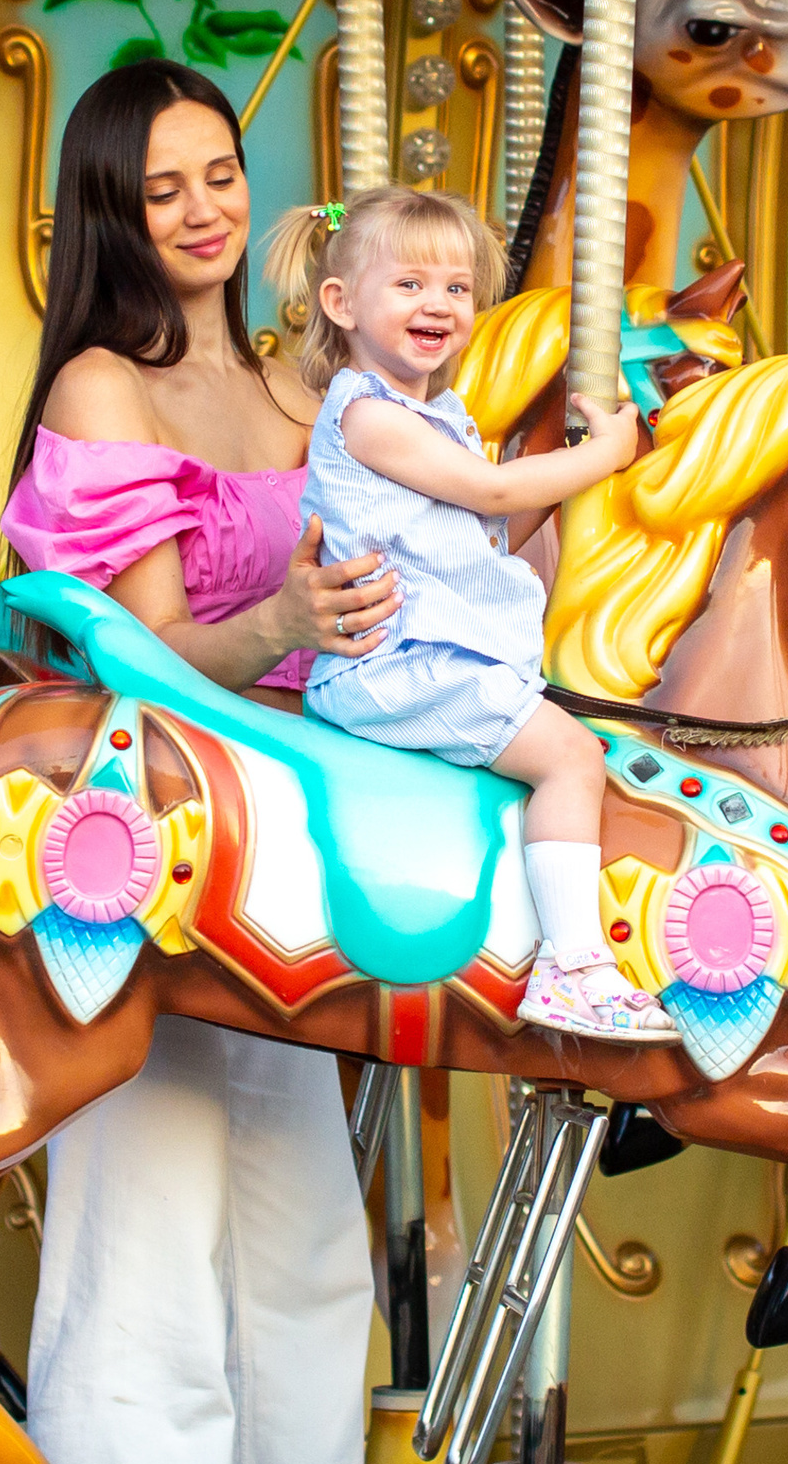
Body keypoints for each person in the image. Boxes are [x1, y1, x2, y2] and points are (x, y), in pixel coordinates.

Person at [0, 61, 387, 1464]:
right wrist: (290, 614)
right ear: (113, 208)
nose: (203, 207)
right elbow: (147, 658)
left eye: (219, 170)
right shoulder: (108, 382)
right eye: (162, 186)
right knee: (143, 1253)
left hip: (299, 852)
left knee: (308, 1253)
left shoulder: (304, 383)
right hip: (159, 839)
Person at [260, 185, 679, 1042]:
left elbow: (485, 526)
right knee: (569, 755)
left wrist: (571, 486)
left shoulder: (435, 415)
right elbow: (492, 489)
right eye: (410, 283)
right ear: (340, 304)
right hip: (397, 663)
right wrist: (603, 453)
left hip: (437, 654)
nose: (439, 304)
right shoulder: (367, 413)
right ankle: (575, 966)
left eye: (457, 287)